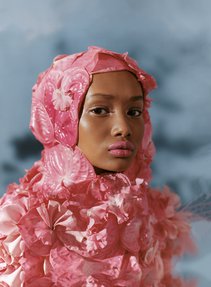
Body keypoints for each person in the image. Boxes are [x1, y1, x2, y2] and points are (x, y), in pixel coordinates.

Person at [0, 46, 196, 286]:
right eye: (100, 110)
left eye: (134, 111)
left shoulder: (152, 211)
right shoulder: (19, 220)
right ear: (60, 118)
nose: (123, 127)